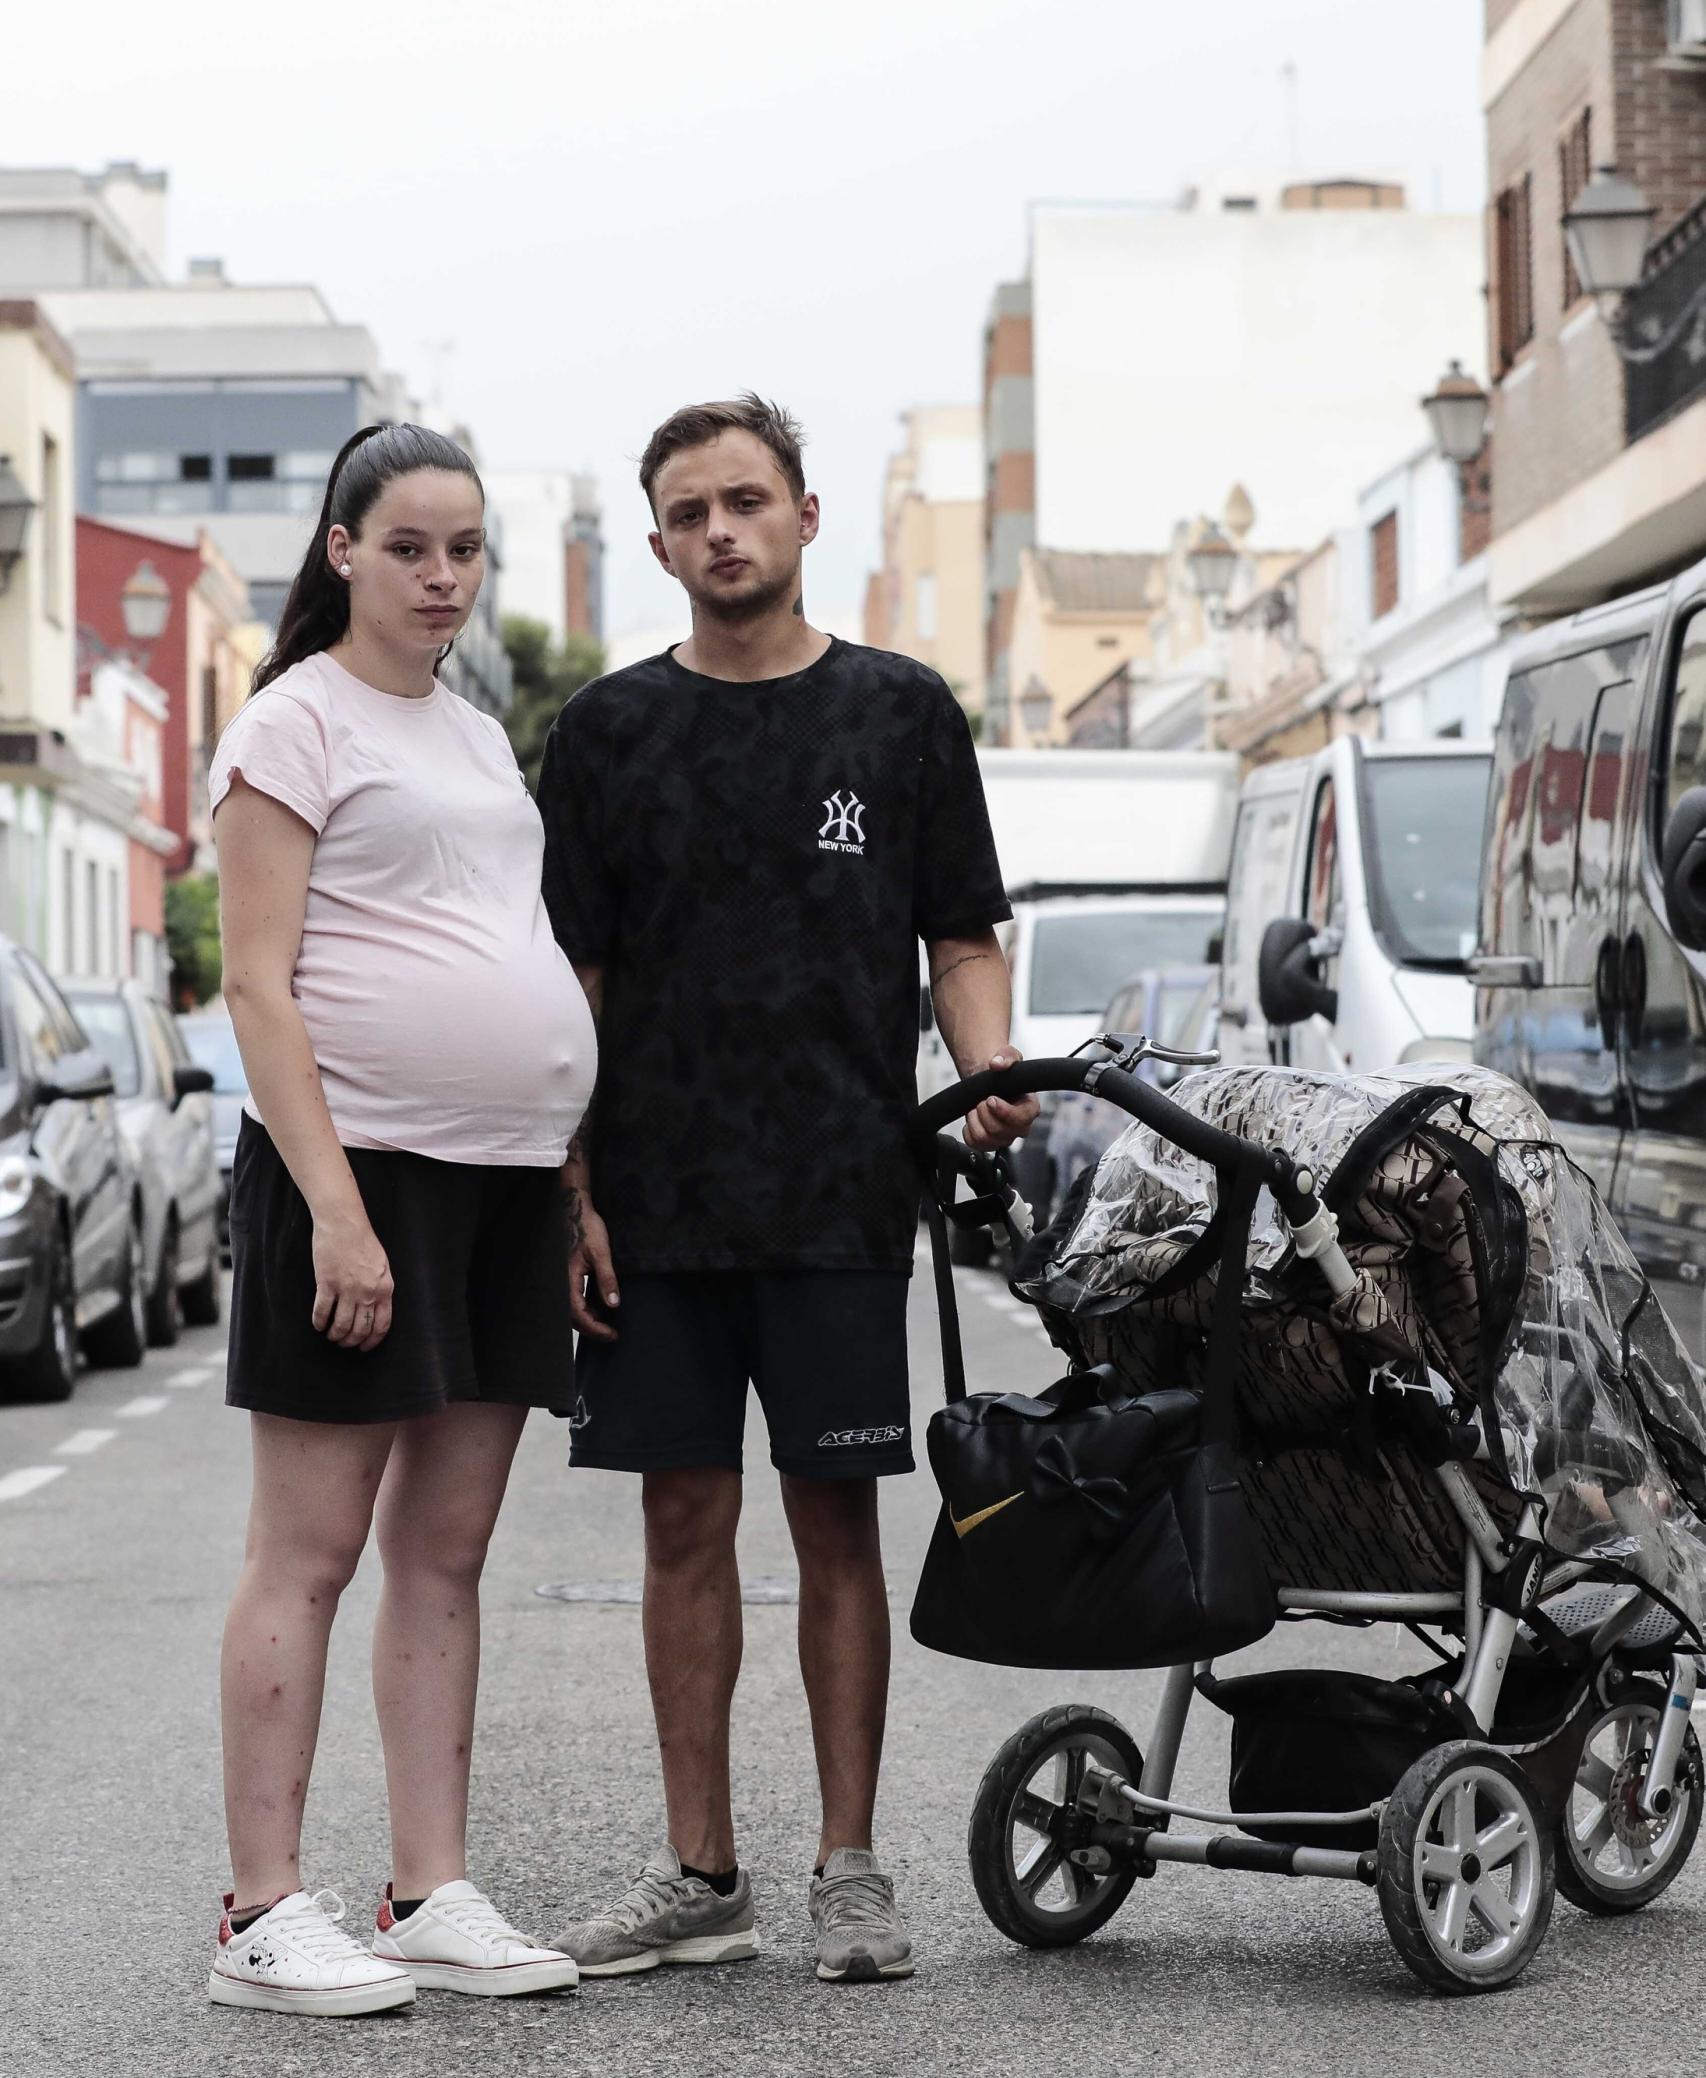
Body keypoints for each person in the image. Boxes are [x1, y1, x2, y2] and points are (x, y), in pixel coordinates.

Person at [538, 394, 1036, 1985]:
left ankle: (849, 1865)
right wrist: (568, 1185)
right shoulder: (608, 733)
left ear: (808, 517)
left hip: (839, 1188)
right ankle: (703, 1871)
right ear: (661, 538)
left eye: (745, 501)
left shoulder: (896, 713)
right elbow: (574, 981)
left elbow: (958, 934)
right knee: (681, 1523)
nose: (720, 533)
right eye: (689, 512)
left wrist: (983, 1076)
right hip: (653, 1198)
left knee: (837, 1522)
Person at [207, 423, 588, 2016]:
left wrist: (564, 1179)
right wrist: (337, 1215)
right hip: (355, 1172)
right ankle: (258, 1911)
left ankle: (427, 1886)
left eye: (468, 550)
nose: (444, 576)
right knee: (311, 1549)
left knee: (448, 1551)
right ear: (342, 550)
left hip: (502, 1179)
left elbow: (503, 942)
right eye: (414, 546)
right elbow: (254, 983)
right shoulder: (291, 725)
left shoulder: (478, 736)